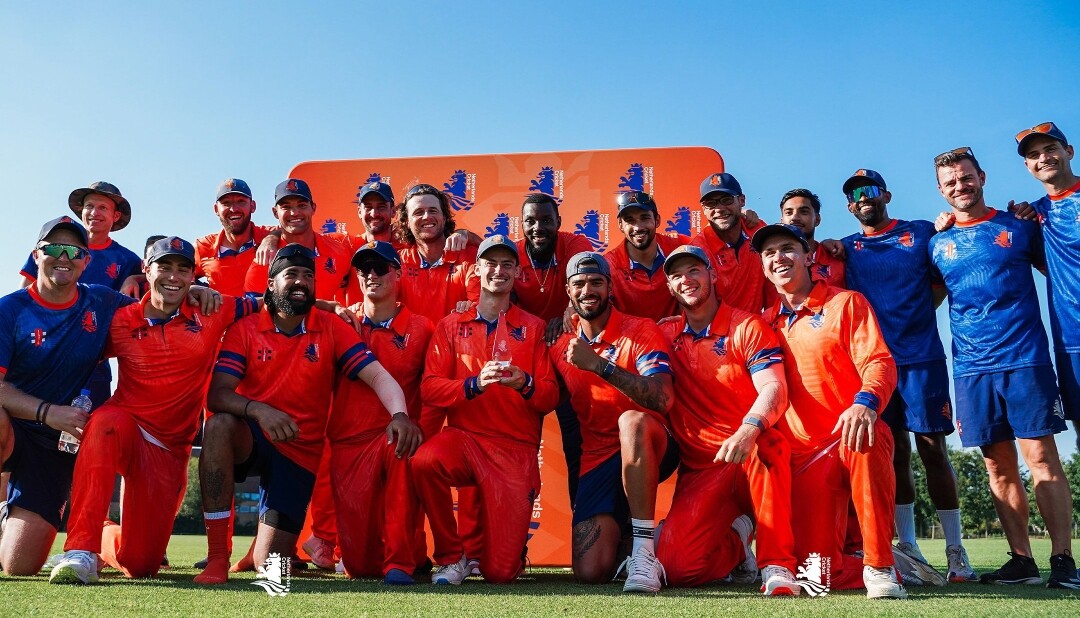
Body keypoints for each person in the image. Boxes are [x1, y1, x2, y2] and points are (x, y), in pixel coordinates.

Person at [194, 244, 414, 585]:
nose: (301, 282)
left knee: (273, 572)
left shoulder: (329, 325)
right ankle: (217, 557)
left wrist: (400, 414)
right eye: (291, 275)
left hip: (299, 453)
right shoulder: (246, 328)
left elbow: (377, 375)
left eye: (308, 276)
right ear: (270, 284)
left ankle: (261, 554)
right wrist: (260, 411)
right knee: (218, 425)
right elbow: (218, 394)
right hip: (254, 436)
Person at [47, 237, 257, 584]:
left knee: (140, 563)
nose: (173, 276)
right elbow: (74, 359)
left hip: (168, 449)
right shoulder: (120, 319)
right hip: (125, 426)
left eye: (183, 268)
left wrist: (336, 309)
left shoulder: (213, 309)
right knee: (104, 422)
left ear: (193, 277)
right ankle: (80, 548)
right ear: (147, 270)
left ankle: (102, 536)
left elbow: (273, 304)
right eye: (165, 266)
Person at [929, 147, 1079, 589]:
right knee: (997, 467)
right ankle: (1022, 561)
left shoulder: (1020, 226)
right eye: (951, 181)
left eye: (967, 177)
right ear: (941, 190)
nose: (961, 186)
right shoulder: (937, 242)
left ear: (982, 177)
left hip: (1026, 359)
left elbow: (1063, 269)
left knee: (1041, 459)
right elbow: (931, 300)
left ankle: (1064, 561)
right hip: (972, 368)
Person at [756, 223, 906, 599]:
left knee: (866, 437)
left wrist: (865, 401)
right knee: (815, 578)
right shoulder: (762, 323)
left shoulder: (845, 303)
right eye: (769, 253)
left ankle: (880, 566)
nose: (779, 258)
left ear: (809, 257)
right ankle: (901, 567)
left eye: (788, 248)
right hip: (807, 457)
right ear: (762, 267)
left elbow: (879, 361)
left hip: (851, 437)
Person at [838, 168, 971, 584]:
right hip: (875, 367)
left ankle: (955, 550)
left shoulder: (920, 232)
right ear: (849, 206)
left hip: (922, 360)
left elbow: (941, 281)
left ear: (886, 194)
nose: (864, 197)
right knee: (894, 456)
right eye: (856, 194)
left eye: (871, 190)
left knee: (933, 450)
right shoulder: (846, 247)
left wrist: (914, 318)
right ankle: (908, 547)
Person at [412, 235, 558, 585]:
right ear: (476, 269)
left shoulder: (535, 328)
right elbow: (429, 388)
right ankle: (451, 557)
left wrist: (525, 384)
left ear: (517, 273)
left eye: (507, 264)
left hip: (514, 450)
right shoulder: (452, 324)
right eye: (490, 263)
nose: (498, 270)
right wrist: (472, 385)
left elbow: (550, 397)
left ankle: (509, 555)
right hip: (466, 439)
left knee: (500, 574)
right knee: (424, 461)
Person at [656, 245, 798, 595]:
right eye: (676, 275)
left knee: (768, 442)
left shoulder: (746, 325)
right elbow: (615, 334)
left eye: (694, 270)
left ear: (713, 275)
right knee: (677, 569)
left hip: (751, 453)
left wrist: (749, 428)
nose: (686, 279)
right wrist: (569, 312)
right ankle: (739, 537)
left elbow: (774, 387)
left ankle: (777, 565)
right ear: (670, 287)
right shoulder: (663, 333)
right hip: (704, 467)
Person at [0, 217, 136, 576]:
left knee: (19, 566)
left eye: (74, 251)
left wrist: (198, 291)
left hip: (53, 448)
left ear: (86, 261)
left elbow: (155, 309)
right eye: (54, 248)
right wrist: (47, 412)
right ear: (36, 256)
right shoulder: (9, 309)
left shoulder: (102, 300)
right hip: (15, 427)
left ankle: (9, 516)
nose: (64, 257)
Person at [550, 252, 677, 592]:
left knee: (631, 421)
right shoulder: (559, 345)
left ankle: (644, 553)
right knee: (591, 572)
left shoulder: (641, 329)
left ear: (610, 287)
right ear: (568, 291)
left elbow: (662, 399)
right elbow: (546, 396)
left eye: (596, 282)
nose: (587, 290)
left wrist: (599, 366)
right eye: (579, 284)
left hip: (650, 442)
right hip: (598, 457)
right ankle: (656, 536)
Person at [328, 241, 432, 584]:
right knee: (359, 566)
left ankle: (402, 561)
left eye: (380, 268)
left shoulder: (422, 328)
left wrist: (420, 429)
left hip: (395, 436)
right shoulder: (340, 321)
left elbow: (433, 388)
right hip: (349, 442)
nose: (372, 275)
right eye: (364, 270)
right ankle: (413, 555)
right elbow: (284, 306)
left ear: (398, 274)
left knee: (401, 447)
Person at [18, 182, 143, 410]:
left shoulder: (128, 260)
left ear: (115, 215)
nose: (94, 213)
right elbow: (24, 295)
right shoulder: (50, 248)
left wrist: (135, 278)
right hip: (43, 350)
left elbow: (154, 287)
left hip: (92, 362)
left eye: (102, 208)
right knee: (30, 419)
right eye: (89, 206)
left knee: (87, 432)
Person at [514, 192, 593, 504]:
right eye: (530, 221)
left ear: (559, 222)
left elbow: (587, 279)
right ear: (521, 225)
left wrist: (564, 315)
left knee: (578, 444)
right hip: (529, 358)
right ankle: (511, 544)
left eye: (546, 220)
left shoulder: (574, 245)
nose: (538, 227)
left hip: (567, 356)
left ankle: (585, 529)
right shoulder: (513, 253)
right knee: (519, 446)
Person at [1015, 122, 1080, 451]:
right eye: (1033, 155)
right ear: (1027, 166)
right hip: (1071, 341)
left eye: (1050, 149)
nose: (1044, 158)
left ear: (1068, 152)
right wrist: (947, 221)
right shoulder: (1032, 217)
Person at [243, 178, 357, 304]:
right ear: (275, 213)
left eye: (302, 205)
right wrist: (327, 306)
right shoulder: (265, 258)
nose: (294, 212)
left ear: (313, 208)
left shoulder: (339, 251)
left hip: (327, 323)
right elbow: (255, 312)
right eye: (286, 207)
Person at [393, 183, 480, 322]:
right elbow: (381, 308)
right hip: (410, 343)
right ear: (407, 222)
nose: (426, 216)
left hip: (456, 342)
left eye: (433, 211)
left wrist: (468, 234)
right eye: (418, 212)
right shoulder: (396, 262)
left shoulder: (469, 256)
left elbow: (481, 308)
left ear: (445, 218)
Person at [603, 191, 691, 322]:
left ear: (657, 220)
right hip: (632, 340)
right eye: (630, 221)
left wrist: (688, 319)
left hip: (678, 336)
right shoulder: (608, 265)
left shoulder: (680, 246)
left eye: (645, 218)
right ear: (620, 226)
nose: (638, 227)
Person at [691, 173, 770, 314]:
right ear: (703, 209)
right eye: (710, 203)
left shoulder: (758, 230)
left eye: (727, 200)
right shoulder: (698, 250)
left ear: (742, 200)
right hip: (721, 333)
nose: (719, 208)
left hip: (762, 327)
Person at [195, 178, 274, 297]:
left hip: (264, 315)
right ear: (216, 209)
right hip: (222, 315)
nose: (234, 209)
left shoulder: (269, 235)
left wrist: (271, 239)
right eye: (226, 203)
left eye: (241, 201)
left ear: (252, 206)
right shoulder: (203, 246)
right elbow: (179, 274)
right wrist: (193, 288)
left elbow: (293, 232)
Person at [778, 188, 844, 287]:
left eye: (803, 212)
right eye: (789, 213)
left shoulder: (839, 256)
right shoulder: (771, 263)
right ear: (781, 220)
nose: (795, 217)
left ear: (817, 219)